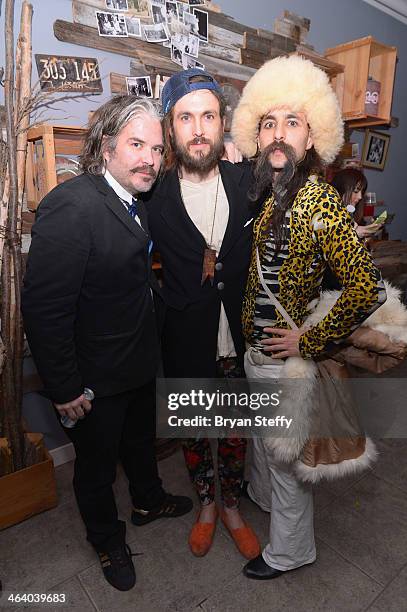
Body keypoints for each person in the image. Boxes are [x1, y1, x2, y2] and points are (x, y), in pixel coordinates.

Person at [22, 96, 192, 592]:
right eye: (137, 145)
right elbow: (46, 308)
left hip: (136, 364)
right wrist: (65, 388)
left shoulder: (130, 201)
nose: (150, 160)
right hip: (92, 380)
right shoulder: (71, 205)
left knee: (140, 445)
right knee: (96, 469)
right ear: (106, 146)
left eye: (158, 150)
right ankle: (106, 538)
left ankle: (147, 500)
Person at [231, 55, 387, 580]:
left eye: (291, 123)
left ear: (312, 136)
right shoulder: (273, 194)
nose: (278, 134)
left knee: (287, 467)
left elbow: (365, 287)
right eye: (269, 123)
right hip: (258, 357)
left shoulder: (318, 200)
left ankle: (290, 551)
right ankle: (263, 501)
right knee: (266, 453)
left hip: (285, 367)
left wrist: (311, 340)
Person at [144, 69, 260, 559]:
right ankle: (207, 506)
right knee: (194, 429)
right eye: (185, 117)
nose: (198, 128)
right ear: (171, 129)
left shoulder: (248, 180)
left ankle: (232, 507)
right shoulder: (154, 195)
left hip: (238, 334)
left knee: (234, 431)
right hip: (185, 335)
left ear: (222, 123)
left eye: (208, 116)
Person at [331, 168, 383, 239]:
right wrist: (353, 235)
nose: (360, 197)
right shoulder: (329, 215)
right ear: (341, 190)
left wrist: (368, 231)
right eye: (355, 191)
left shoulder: (352, 214)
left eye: (362, 192)